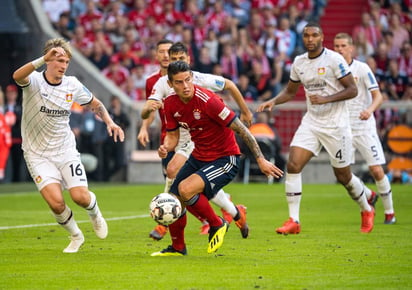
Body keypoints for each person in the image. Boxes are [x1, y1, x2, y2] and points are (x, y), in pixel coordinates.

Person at [152, 61, 283, 256]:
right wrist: (165, 147)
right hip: (199, 156)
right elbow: (173, 136)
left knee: (186, 189)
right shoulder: (170, 104)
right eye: (179, 82)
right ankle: (178, 248)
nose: (186, 85)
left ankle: (217, 223)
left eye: (188, 80)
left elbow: (242, 129)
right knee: (174, 198)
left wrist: (261, 159)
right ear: (170, 84)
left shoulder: (208, 101)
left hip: (225, 159)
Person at [257, 23, 376, 234]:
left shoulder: (334, 60)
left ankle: (367, 209)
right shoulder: (299, 62)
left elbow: (352, 90)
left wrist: (325, 99)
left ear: (321, 37)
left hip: (336, 125)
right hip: (312, 122)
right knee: (293, 165)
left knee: (343, 176)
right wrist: (274, 101)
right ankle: (294, 221)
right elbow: (290, 91)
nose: (310, 39)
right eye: (306, 36)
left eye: (314, 35)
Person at [12, 38, 125, 253]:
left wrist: (110, 122)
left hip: (65, 150)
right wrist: (42, 59)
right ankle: (76, 235)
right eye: (58, 60)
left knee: (80, 197)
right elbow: (17, 76)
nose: (63, 65)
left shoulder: (72, 84)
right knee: (56, 204)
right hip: (36, 154)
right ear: (47, 60)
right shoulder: (34, 81)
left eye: (66, 61)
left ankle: (95, 214)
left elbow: (96, 104)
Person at [140, 42, 254, 240]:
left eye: (180, 59)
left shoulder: (200, 80)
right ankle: (235, 212)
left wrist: (245, 110)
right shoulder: (158, 83)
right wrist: (146, 120)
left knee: (177, 175)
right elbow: (146, 110)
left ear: (189, 61)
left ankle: (169, 223)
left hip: (197, 137)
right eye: (172, 58)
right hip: (176, 135)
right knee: (194, 185)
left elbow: (230, 85)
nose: (175, 62)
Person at [333, 33, 396, 224]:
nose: (340, 49)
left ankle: (389, 213)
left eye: (343, 45)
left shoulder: (362, 68)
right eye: (336, 46)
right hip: (344, 127)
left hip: (363, 126)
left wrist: (369, 110)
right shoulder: (332, 70)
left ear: (351, 48)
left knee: (376, 170)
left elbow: (378, 96)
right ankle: (369, 194)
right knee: (343, 174)